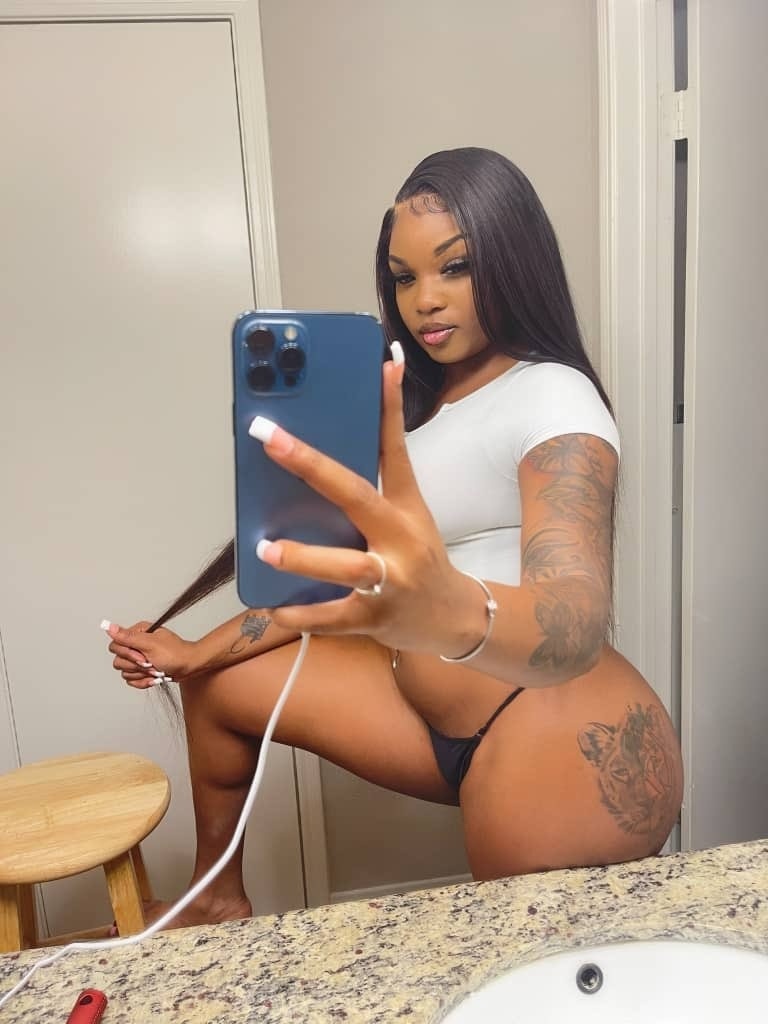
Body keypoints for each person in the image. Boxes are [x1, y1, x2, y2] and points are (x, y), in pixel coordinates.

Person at [106, 147, 683, 928]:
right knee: (220, 688)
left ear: (513, 259)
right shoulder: (408, 409)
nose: (425, 300)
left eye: (455, 267)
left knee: (516, 973)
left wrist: (453, 610)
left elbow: (575, 615)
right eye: (404, 277)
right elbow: (329, 583)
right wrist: (194, 655)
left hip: (552, 732)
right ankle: (216, 898)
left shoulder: (552, 394)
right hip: (430, 716)